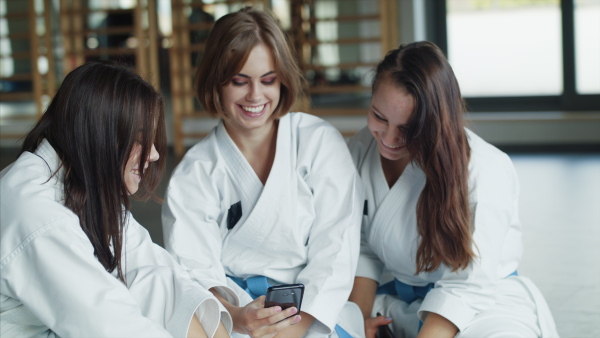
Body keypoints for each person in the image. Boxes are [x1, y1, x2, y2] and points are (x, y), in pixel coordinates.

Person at [162, 7, 364, 338]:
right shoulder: (195, 172)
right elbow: (192, 274)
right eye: (240, 82)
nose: (255, 96)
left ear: (283, 79)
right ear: (216, 82)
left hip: (314, 311)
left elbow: (336, 249)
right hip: (233, 314)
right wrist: (238, 318)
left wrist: (297, 328)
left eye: (268, 80)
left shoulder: (318, 142)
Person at [0, 62, 231, 338]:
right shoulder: (38, 213)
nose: (155, 155)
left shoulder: (81, 178)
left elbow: (150, 266)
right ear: (102, 136)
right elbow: (111, 326)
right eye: (141, 139)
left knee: (153, 280)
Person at [347, 41, 559, 338]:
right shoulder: (359, 150)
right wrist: (356, 322)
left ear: (436, 121)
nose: (389, 139)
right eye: (379, 117)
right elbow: (362, 248)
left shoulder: (485, 168)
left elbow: (469, 287)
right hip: (399, 304)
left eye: (408, 130)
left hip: (485, 307)